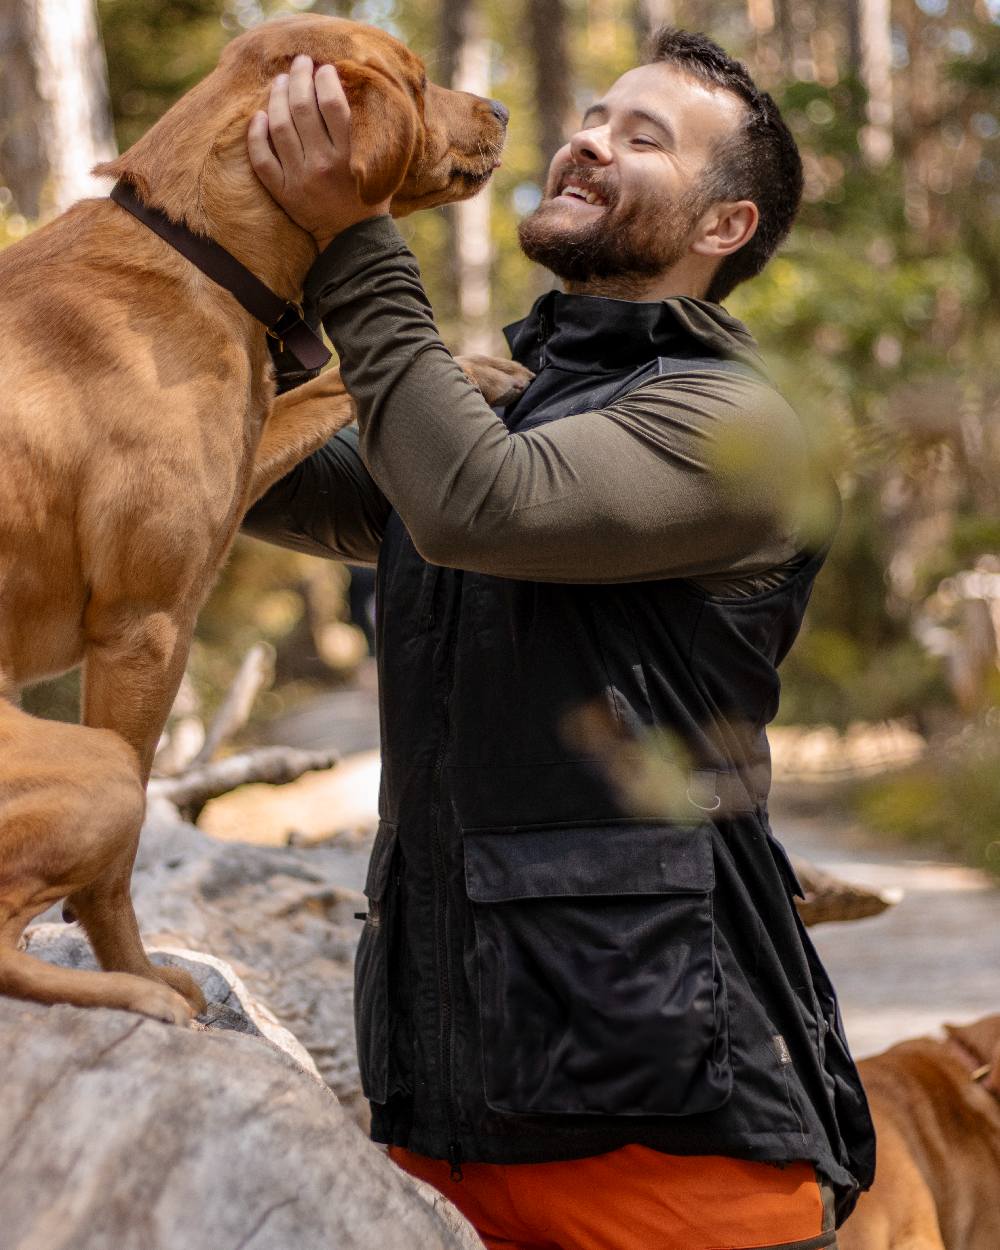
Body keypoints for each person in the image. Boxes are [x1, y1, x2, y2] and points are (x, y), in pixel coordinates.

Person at [243, 27, 875, 1250]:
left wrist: (354, 234)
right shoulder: (504, 395)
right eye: (592, 116)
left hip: (677, 1144)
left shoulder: (740, 423)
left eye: (645, 138)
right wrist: (240, 261)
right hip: (446, 1120)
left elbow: (481, 500)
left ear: (722, 227)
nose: (588, 140)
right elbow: (269, 478)